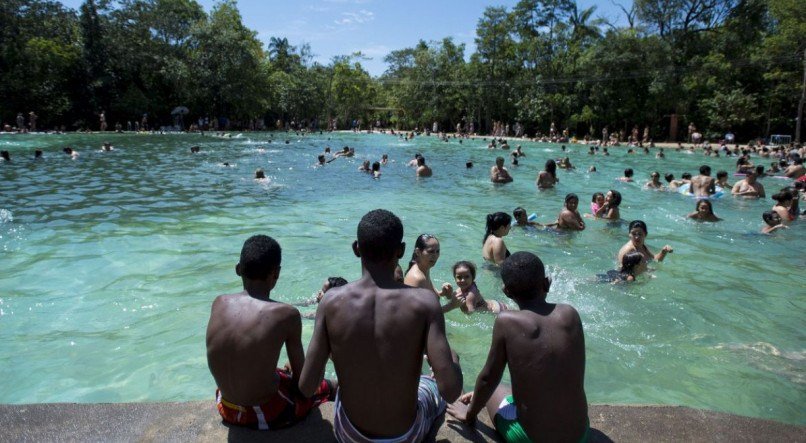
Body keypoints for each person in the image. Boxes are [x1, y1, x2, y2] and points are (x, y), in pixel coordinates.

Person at [299, 209, 463, 441]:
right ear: (402, 250)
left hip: (349, 432)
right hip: (405, 435)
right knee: (431, 384)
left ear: (357, 249)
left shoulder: (331, 301)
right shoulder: (424, 303)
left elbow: (307, 388)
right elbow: (451, 390)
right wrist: (453, 361)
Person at [447, 252, 589, 443]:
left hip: (530, 439)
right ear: (546, 283)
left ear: (506, 291)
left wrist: (469, 414)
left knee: (495, 391)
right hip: (580, 434)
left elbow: (488, 379)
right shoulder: (570, 314)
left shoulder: (507, 321)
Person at [206, 235, 335, 430]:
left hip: (225, 405)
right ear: (276, 273)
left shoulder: (219, 303)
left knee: (281, 372)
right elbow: (304, 387)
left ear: (238, 269)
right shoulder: (286, 314)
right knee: (329, 387)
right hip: (262, 413)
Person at [404, 234, 454, 302]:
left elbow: (428, 298)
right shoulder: (417, 278)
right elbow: (414, 312)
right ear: (418, 252)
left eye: (437, 251)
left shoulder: (424, 269)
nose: (435, 256)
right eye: (431, 251)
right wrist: (451, 306)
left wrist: (443, 293)